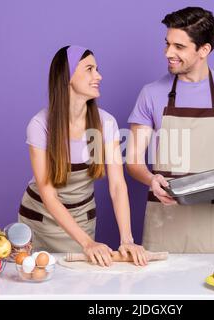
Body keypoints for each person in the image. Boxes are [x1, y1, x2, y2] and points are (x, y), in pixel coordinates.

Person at [126, 7, 214, 253]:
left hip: (212, 217)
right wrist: (151, 179)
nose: (168, 53)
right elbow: (134, 161)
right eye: (167, 44)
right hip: (164, 216)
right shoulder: (151, 94)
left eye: (179, 47)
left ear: (204, 50)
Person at [19, 45, 147, 266]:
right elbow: (49, 194)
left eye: (97, 69)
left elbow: (117, 186)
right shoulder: (40, 125)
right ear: (67, 76)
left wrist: (127, 239)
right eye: (89, 69)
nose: (98, 75)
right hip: (40, 221)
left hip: (82, 220)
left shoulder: (106, 123)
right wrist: (88, 243)